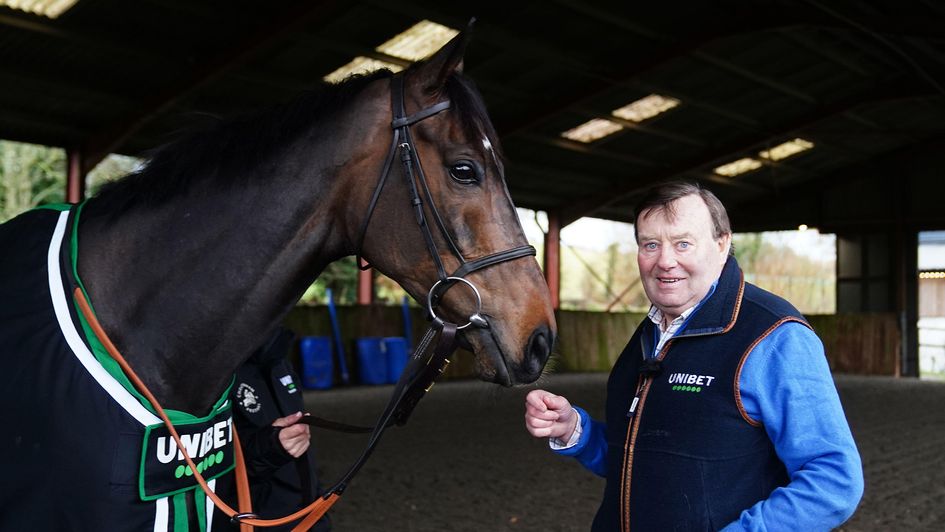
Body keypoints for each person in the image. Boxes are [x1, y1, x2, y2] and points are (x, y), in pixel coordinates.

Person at [524, 181, 863, 531]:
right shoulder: (649, 335)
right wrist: (575, 431)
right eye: (650, 245)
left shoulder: (773, 336)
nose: (665, 261)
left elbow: (834, 480)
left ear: (722, 244)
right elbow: (642, 459)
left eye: (683, 243)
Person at [215, 327, 331, 531]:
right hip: (258, 522)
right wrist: (271, 445)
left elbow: (303, 454)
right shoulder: (215, 372)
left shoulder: (279, 360)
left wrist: (318, 512)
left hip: (309, 518)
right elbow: (209, 463)